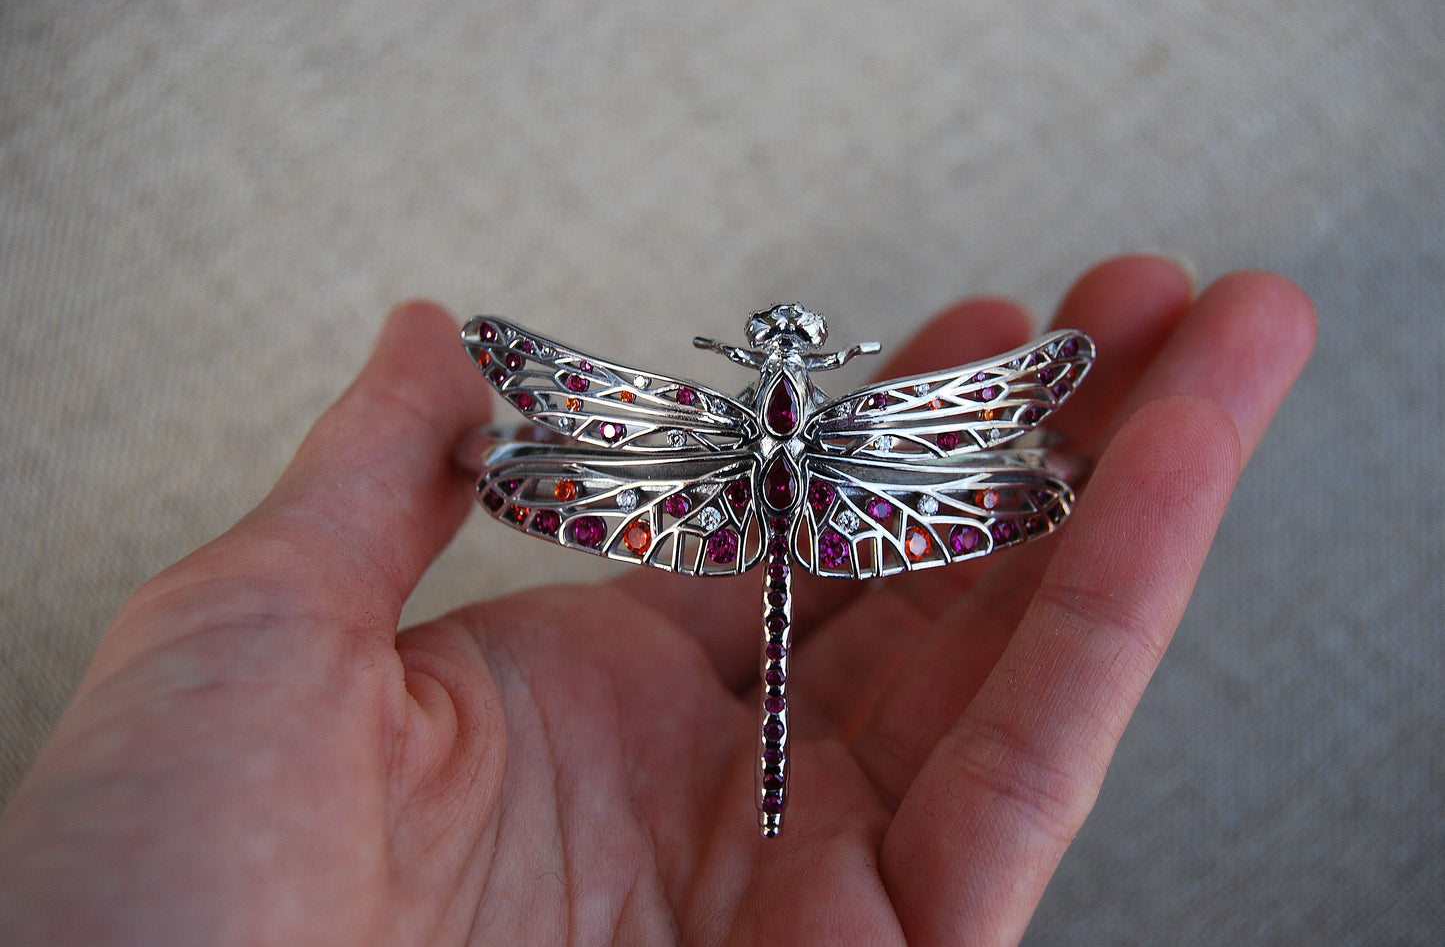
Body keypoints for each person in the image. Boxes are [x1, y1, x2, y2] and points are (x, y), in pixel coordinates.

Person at [0, 256, 1315, 946]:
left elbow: (527, 427)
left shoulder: (718, 435)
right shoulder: (843, 434)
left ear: (759, 394)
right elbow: (1033, 431)